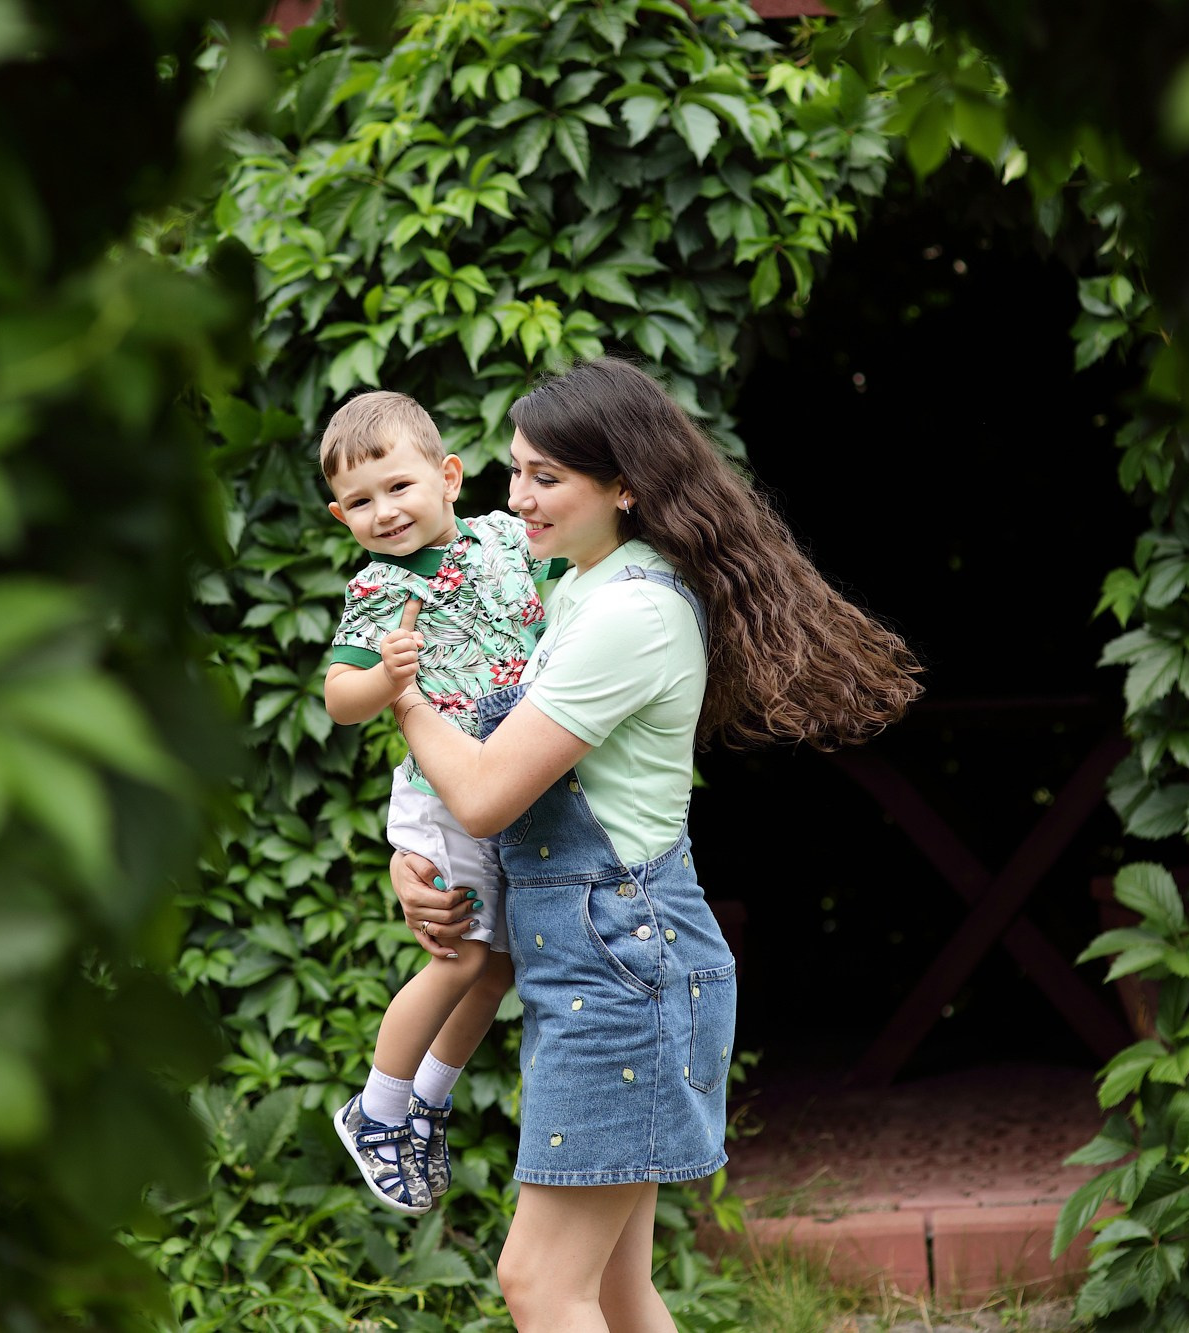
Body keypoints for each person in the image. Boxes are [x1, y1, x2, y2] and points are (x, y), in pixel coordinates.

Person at [380, 358, 922, 1331]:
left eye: (547, 476)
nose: (518, 498)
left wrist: (404, 697)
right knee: (616, 1292)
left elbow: (488, 794)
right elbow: (468, 796)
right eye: (513, 472)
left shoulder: (629, 613)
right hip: (605, 962)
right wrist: (405, 855)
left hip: (618, 969)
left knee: (540, 1283)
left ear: (623, 483)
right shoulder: (586, 590)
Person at [319, 390, 563, 1216]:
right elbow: (337, 697)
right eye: (359, 501)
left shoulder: (505, 535)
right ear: (339, 513)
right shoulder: (379, 589)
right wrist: (385, 679)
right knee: (457, 956)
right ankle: (377, 1108)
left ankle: (426, 1098)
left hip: (508, 782)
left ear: (449, 475)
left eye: (397, 487)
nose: (382, 512)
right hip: (441, 795)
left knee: (496, 968)